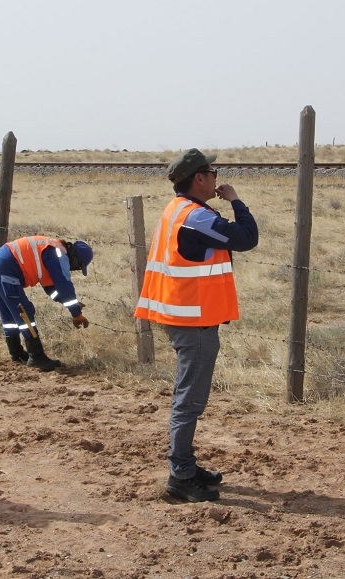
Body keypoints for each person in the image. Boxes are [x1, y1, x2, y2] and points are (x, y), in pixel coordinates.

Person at [135, 148, 259, 502]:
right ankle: (181, 477)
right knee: (190, 400)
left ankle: (185, 465)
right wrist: (236, 201)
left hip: (184, 315)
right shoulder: (195, 217)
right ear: (200, 178)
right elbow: (247, 238)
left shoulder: (180, 210)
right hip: (194, 320)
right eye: (213, 171)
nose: (218, 177)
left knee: (186, 396)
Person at [0, 236, 93, 372]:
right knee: (24, 311)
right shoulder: (58, 253)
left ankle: (16, 353)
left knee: (10, 315)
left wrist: (72, 304)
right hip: (6, 268)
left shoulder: (52, 250)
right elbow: (64, 286)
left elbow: (52, 290)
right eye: (77, 266)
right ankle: (36, 356)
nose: (73, 269)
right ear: (75, 258)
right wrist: (76, 314)